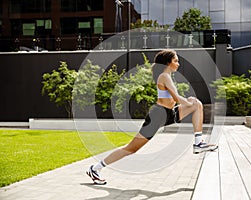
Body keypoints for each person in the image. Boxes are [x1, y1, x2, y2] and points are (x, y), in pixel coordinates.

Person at [86, 49, 218, 184]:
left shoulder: (167, 76)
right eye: (176, 61)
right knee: (131, 149)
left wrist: (190, 101)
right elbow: (177, 98)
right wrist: (188, 101)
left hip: (169, 113)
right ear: (168, 63)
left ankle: (198, 143)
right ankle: (95, 168)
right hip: (158, 115)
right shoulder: (164, 76)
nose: (178, 64)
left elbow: (174, 100)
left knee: (197, 104)